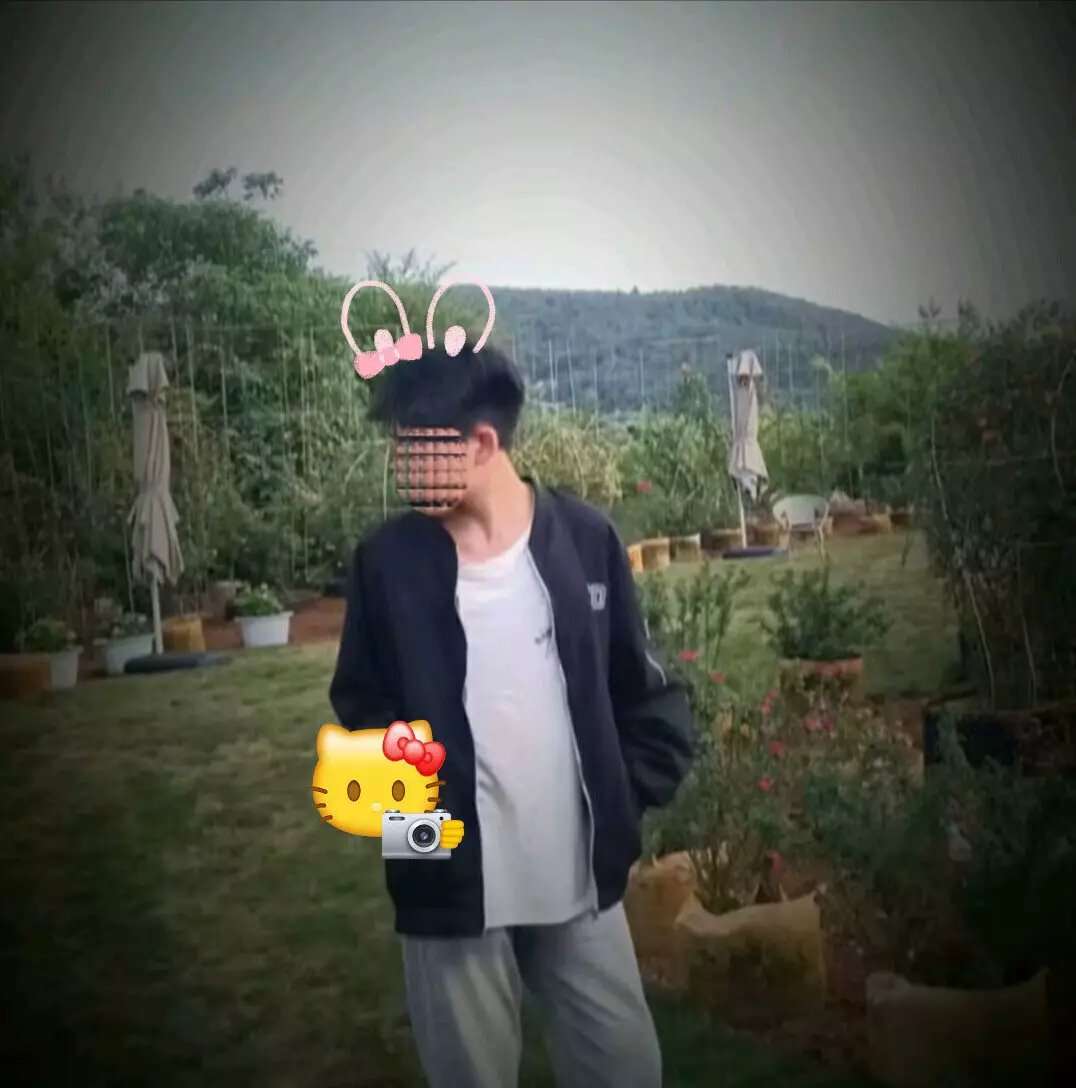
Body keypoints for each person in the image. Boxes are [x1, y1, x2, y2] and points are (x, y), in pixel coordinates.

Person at [329, 338, 695, 1088]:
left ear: (483, 443)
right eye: (397, 445)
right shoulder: (385, 562)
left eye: (416, 445)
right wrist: (409, 827)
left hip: (579, 881)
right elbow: (361, 704)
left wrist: (620, 800)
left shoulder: (585, 541)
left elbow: (642, 689)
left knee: (626, 1069)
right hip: (449, 889)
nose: (402, 464)